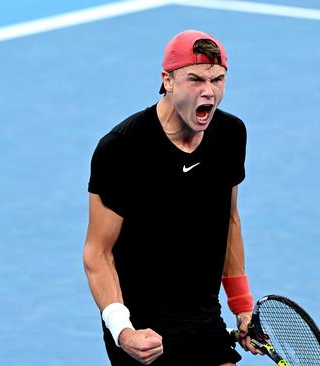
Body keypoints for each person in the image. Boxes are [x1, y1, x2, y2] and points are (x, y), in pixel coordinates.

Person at [83, 29, 257, 366]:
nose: (209, 91)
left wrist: (242, 306)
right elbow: (97, 253)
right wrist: (123, 330)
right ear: (168, 80)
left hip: (204, 317)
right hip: (144, 329)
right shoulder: (121, 149)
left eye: (217, 80)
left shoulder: (231, 135)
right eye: (195, 79)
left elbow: (229, 219)